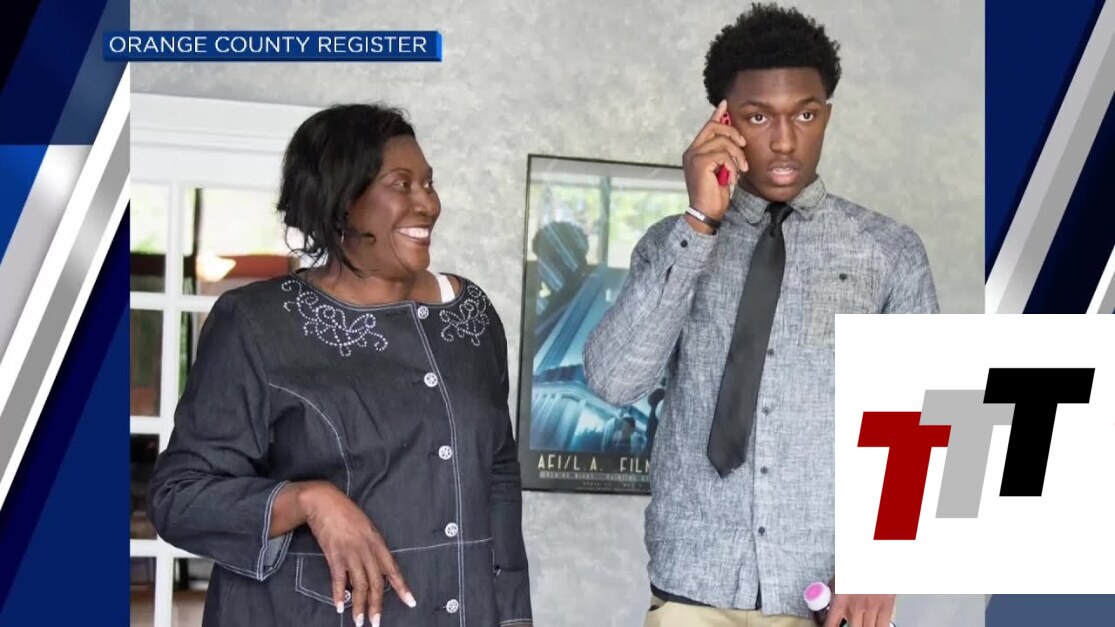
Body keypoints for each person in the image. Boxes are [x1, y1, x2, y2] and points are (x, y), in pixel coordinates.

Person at [583, 4, 938, 627]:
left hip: (827, 597)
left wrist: (881, 558)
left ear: (827, 114)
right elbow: (614, 381)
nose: (784, 140)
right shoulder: (672, 243)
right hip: (692, 591)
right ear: (723, 120)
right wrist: (701, 222)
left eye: (805, 114)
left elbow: (926, 416)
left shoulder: (887, 252)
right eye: (757, 116)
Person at [148, 104, 533, 627]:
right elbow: (178, 497)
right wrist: (307, 500)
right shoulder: (257, 323)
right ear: (341, 202)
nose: (428, 203)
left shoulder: (471, 316)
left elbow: (498, 473)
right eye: (402, 184)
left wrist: (512, 618)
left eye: (428, 183)